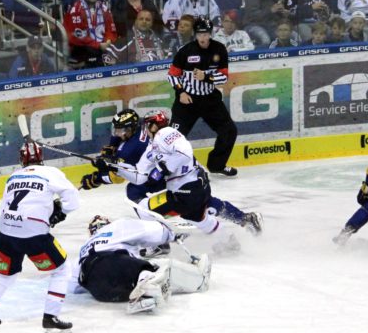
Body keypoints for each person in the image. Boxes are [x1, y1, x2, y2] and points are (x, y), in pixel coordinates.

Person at [0, 141, 79, 333]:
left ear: (21, 159)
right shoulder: (51, 172)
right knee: (62, 270)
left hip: (7, 232)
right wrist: (59, 212)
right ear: (42, 157)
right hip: (33, 233)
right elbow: (72, 198)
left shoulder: (13, 176)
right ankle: (50, 318)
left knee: (4, 275)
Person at [114, 110, 263, 242]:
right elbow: (139, 176)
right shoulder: (151, 148)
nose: (145, 130)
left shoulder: (165, 133)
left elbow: (185, 152)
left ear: (154, 125)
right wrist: (114, 167)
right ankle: (233, 234)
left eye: (147, 125)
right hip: (194, 185)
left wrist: (161, 169)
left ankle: (159, 244)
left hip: (187, 189)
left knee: (144, 209)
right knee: (196, 214)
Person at [75, 216, 212, 314]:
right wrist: (170, 234)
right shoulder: (116, 227)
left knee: (139, 270)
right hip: (112, 264)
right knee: (156, 268)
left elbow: (73, 284)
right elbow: (151, 230)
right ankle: (197, 280)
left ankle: (141, 295)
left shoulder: (84, 248)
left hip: (98, 290)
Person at [167, 16, 238, 177]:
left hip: (209, 100)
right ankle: (169, 170)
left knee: (229, 131)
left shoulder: (219, 49)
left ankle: (217, 165)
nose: (203, 38)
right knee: (172, 137)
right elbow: (172, 75)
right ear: (195, 34)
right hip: (187, 101)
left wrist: (206, 77)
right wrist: (181, 92)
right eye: (200, 34)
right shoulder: (185, 51)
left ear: (210, 34)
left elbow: (224, 77)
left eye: (206, 34)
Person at [80, 109, 165, 203]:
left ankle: (156, 210)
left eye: (119, 130)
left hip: (160, 174)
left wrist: (97, 178)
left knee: (133, 190)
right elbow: (116, 139)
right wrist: (112, 147)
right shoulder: (140, 124)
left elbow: (118, 176)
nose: (116, 133)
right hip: (160, 163)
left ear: (129, 129)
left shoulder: (133, 148)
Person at [63, 0, 117, 69]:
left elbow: (111, 30)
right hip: (81, 50)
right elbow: (78, 37)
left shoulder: (104, 9)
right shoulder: (76, 10)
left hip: (102, 48)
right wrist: (99, 45)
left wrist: (108, 41)